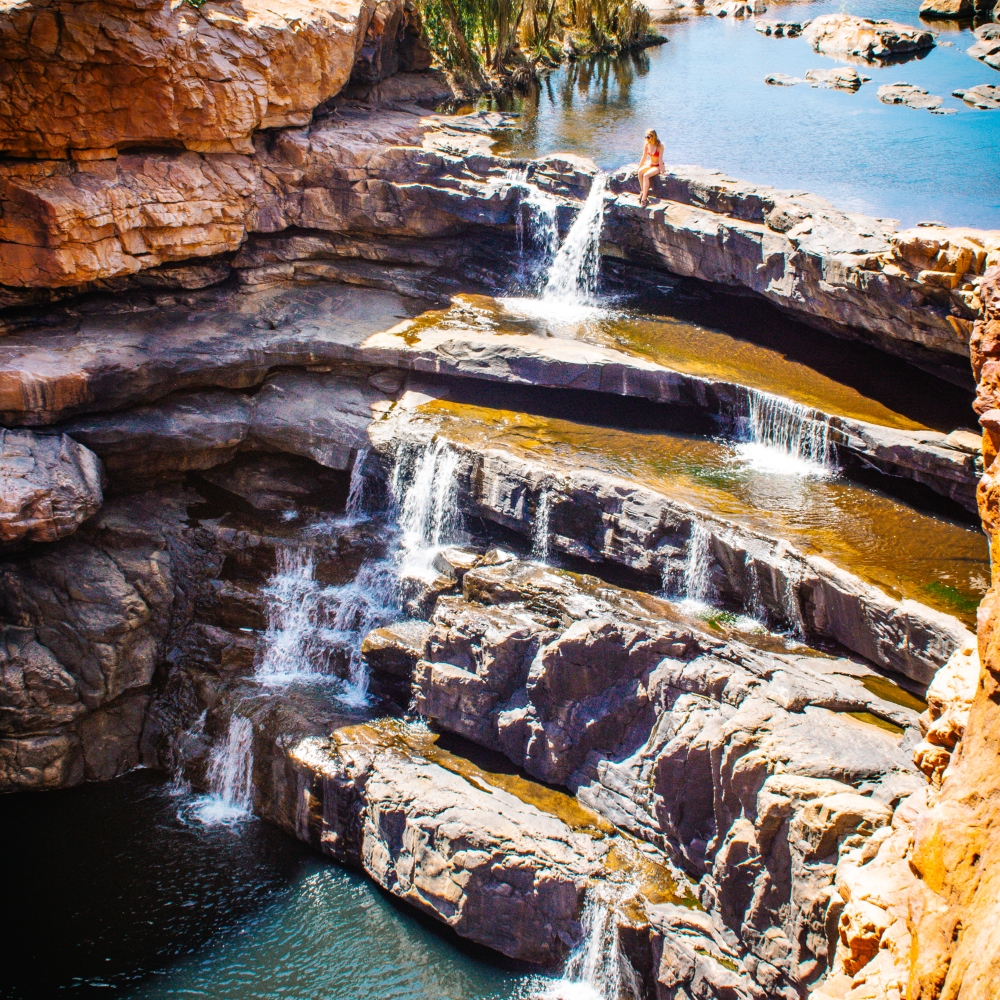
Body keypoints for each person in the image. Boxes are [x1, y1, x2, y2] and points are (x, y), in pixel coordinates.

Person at [637, 129, 664, 207]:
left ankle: (644, 198)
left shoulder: (659, 146)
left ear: (653, 136)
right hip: (650, 164)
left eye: (648, 137)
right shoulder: (647, 145)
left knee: (646, 175)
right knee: (640, 172)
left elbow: (660, 159)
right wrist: (639, 166)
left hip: (657, 166)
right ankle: (643, 191)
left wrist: (662, 170)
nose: (647, 138)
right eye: (646, 137)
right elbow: (644, 157)